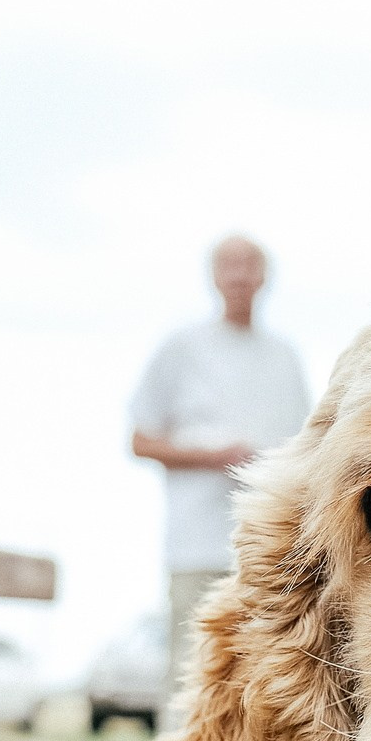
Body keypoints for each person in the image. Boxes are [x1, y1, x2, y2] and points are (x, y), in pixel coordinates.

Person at [128, 234, 313, 702]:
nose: (239, 276)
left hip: (267, 547)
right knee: (190, 678)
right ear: (213, 276)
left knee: (263, 677)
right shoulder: (182, 346)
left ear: (264, 277)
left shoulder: (285, 356)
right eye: (228, 266)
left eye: (249, 266)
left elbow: (308, 449)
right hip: (195, 546)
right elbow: (140, 440)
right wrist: (215, 458)